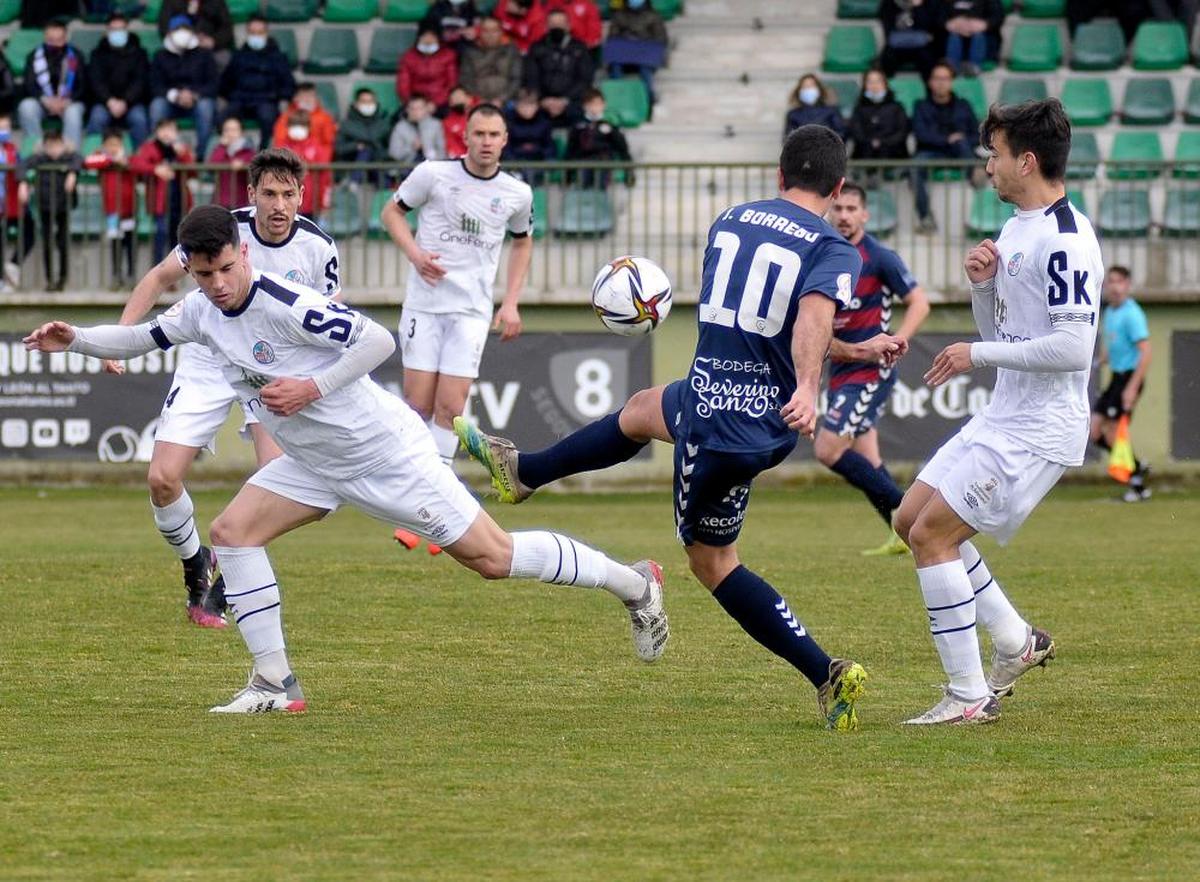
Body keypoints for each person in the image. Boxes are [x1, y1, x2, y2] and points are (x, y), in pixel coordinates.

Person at [25, 203, 670, 713]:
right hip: (315, 462)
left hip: (383, 454)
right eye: (203, 274)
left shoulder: (284, 303)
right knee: (232, 533)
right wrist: (75, 337)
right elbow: (141, 336)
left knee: (494, 560)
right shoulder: (201, 308)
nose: (218, 285)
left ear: (241, 253)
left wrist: (312, 387)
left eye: (224, 269)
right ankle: (274, 684)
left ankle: (635, 583)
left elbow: (377, 339)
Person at [454, 124, 871, 730]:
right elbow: (805, 318)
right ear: (836, 188)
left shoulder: (731, 219)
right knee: (645, 408)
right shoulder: (835, 247)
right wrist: (813, 383)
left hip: (721, 422)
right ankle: (524, 472)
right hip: (755, 415)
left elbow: (787, 317)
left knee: (711, 562)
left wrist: (817, 374)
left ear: (779, 175)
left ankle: (826, 672)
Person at [891, 98, 1103, 726]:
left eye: (997, 153)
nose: (989, 165)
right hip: (1004, 414)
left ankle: (968, 696)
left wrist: (974, 352)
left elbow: (1073, 348)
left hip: (1039, 428)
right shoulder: (1015, 229)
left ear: (1027, 160)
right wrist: (985, 287)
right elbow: (1008, 334)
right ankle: (1016, 642)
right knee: (909, 520)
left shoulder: (1066, 242)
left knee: (934, 536)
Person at [101, 148, 341, 629]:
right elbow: (159, 277)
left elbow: (330, 321)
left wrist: (314, 384)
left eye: (288, 194)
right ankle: (196, 562)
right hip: (210, 356)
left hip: (271, 367)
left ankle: (226, 587)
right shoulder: (222, 230)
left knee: (274, 482)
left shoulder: (319, 248)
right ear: (251, 194)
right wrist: (121, 339)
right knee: (162, 479)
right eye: (268, 193)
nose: (278, 204)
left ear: (302, 196)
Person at [380, 103, 532, 552]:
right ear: (464, 136)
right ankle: (423, 505)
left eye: (494, 134)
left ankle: (429, 512)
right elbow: (392, 213)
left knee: (450, 409)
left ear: (505, 140)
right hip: (424, 308)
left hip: (470, 312)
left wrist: (511, 303)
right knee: (417, 408)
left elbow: (523, 244)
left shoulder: (517, 193)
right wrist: (415, 255)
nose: (486, 141)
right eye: (479, 133)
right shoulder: (433, 173)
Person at [818, 183, 930, 555]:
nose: (845, 215)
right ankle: (903, 535)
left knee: (828, 448)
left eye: (852, 209)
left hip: (871, 369)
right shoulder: (824, 255)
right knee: (868, 459)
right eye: (839, 209)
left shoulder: (879, 256)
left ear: (865, 214)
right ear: (830, 212)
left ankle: (913, 517)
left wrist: (900, 337)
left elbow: (919, 303)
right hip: (841, 367)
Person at [1090, 265, 1152, 501]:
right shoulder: (1110, 312)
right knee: (1095, 432)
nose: (1114, 287)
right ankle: (1137, 467)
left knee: (1115, 432)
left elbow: (1146, 353)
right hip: (1117, 378)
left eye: (1119, 282)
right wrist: (1097, 363)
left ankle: (1138, 487)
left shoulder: (1132, 314)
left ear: (1127, 285)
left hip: (1129, 378)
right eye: (1111, 282)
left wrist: (1131, 388)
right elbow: (1112, 348)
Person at [910, 60, 980, 234]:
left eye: (945, 78)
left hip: (960, 152)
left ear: (951, 81)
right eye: (937, 78)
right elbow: (921, 134)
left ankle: (977, 183)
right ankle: (925, 217)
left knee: (962, 143)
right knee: (915, 166)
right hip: (931, 152)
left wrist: (959, 140)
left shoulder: (964, 105)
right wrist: (948, 139)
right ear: (930, 82)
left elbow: (977, 136)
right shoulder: (921, 105)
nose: (941, 82)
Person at [18, 128, 80, 291]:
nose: (54, 150)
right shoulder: (39, 158)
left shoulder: (69, 157)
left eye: (57, 145)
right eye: (50, 146)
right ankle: (49, 280)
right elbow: (22, 165)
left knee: (62, 243)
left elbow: (80, 159)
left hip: (63, 206)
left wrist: (72, 173)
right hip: (45, 206)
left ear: (63, 145)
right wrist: (23, 182)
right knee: (46, 243)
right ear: (44, 147)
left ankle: (62, 278)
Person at [219, 15, 295, 146]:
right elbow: (225, 82)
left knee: (268, 118)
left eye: (260, 33)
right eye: (252, 33)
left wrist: (280, 97)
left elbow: (288, 84)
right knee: (223, 117)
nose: (256, 36)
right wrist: (231, 96)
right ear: (247, 33)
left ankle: (263, 153)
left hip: (266, 100)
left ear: (267, 33)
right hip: (240, 99)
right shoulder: (238, 56)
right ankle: (230, 153)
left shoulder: (278, 57)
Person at [150, 15, 219, 156]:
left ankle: (200, 156)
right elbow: (154, 84)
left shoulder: (204, 55)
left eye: (185, 29)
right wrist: (175, 95)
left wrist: (194, 94)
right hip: (170, 101)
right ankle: (159, 155)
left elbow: (214, 83)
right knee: (157, 106)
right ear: (169, 33)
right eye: (177, 29)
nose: (182, 33)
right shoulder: (160, 56)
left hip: (197, 101)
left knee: (206, 107)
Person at [131, 117, 195, 264]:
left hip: (179, 199)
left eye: (171, 130)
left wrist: (183, 155)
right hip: (160, 202)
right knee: (160, 233)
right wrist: (155, 169)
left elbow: (193, 172)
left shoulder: (181, 149)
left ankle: (173, 274)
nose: (167, 133)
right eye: (163, 130)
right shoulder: (150, 147)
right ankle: (158, 268)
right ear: (157, 132)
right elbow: (136, 162)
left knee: (177, 237)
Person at [18, 18, 86, 150]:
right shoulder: (34, 56)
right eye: (51, 40)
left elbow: (83, 86)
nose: (55, 44)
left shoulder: (76, 56)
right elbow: (29, 84)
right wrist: (46, 100)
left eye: (59, 40)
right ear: (45, 37)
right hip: (43, 102)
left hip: (69, 102)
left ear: (66, 37)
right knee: (26, 107)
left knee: (73, 113)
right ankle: (37, 151)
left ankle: (70, 155)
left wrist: (67, 101)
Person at [86, 12, 152, 147]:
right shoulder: (97, 54)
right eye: (114, 29)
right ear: (107, 31)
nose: (118, 33)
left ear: (127, 30)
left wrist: (125, 101)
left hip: (132, 103)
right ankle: (94, 161)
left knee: (139, 120)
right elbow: (96, 82)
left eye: (121, 29)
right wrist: (110, 101)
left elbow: (140, 81)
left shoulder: (139, 53)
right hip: (105, 103)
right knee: (96, 119)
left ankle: (140, 162)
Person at [83, 129, 138, 290]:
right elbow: (88, 162)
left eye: (116, 144)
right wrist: (109, 160)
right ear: (104, 146)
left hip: (129, 210)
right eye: (110, 145)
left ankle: (131, 275)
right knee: (116, 243)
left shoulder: (129, 160)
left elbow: (140, 166)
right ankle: (116, 275)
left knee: (130, 242)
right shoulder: (103, 160)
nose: (113, 148)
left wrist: (124, 163)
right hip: (112, 212)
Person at [523, 8, 593, 129]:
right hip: (542, 102)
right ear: (546, 26)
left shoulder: (579, 48)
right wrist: (544, 99)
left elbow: (585, 79)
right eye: (553, 24)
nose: (557, 27)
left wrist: (564, 100)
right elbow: (531, 77)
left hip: (572, 101)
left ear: (568, 25)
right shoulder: (537, 47)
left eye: (560, 23)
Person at [847, 68, 911, 178]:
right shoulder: (859, 109)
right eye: (870, 81)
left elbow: (902, 132)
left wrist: (882, 142)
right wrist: (871, 142)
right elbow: (856, 132)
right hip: (865, 154)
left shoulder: (897, 107)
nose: (874, 85)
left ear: (885, 84)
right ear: (864, 85)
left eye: (878, 81)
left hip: (893, 154)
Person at [273, 112, 333, 226]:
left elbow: (325, 176)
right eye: (294, 125)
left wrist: (324, 203)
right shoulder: (280, 147)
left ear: (308, 127)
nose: (297, 128)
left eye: (301, 125)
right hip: (284, 203)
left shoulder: (316, 147)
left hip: (310, 203)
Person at [605, 0, 668, 107]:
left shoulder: (653, 16)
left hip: (644, 55)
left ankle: (648, 99)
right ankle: (617, 98)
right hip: (623, 54)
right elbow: (612, 37)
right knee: (615, 66)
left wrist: (641, 40)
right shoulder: (619, 15)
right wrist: (627, 38)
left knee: (645, 70)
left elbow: (661, 38)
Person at [564, 87, 631, 188]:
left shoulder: (610, 126)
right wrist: (567, 176)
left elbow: (622, 149)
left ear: (604, 105)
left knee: (601, 177)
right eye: (591, 104)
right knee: (583, 180)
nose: (594, 107)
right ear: (584, 106)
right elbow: (571, 150)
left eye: (598, 104)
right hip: (583, 162)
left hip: (603, 163)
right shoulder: (578, 126)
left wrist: (629, 173)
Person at [0, 112, 36, 292]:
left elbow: (22, 167)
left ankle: (13, 265)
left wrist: (23, 183)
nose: (3, 131)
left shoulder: (12, 149)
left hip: (11, 202)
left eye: (6, 128)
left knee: (29, 231)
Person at [459, 15, 523, 104]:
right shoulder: (470, 52)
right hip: (477, 100)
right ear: (480, 32)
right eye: (486, 31)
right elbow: (466, 79)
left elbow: (516, 79)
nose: (490, 35)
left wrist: (501, 99)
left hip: (506, 100)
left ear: (501, 32)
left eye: (494, 31)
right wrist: (478, 99)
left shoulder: (511, 50)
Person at [335, 88, 392, 186]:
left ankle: (355, 183)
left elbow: (390, 150)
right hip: (352, 165)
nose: (368, 104)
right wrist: (356, 146)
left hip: (377, 165)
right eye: (364, 102)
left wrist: (376, 150)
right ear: (356, 104)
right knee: (365, 150)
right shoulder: (346, 125)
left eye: (370, 101)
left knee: (369, 150)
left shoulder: (384, 124)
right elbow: (339, 148)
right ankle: (353, 183)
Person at [396, 28, 459, 112]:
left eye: (432, 37)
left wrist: (435, 103)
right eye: (424, 37)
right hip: (415, 102)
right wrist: (415, 104)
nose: (428, 40)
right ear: (418, 39)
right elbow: (403, 85)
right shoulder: (408, 57)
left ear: (438, 39)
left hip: (442, 103)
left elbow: (452, 84)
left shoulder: (449, 55)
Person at [879, 0, 945, 80]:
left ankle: (929, 89)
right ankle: (887, 87)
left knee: (929, 58)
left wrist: (918, 7)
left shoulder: (931, 3)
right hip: (897, 46)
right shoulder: (889, 3)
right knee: (887, 58)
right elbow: (889, 31)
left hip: (923, 46)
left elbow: (930, 27)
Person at [158, 0, 234, 68]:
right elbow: (164, 28)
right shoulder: (171, 2)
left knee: (224, 59)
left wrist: (213, 41)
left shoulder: (216, 2)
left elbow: (227, 30)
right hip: (180, 49)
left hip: (210, 50)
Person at [502, 88, 555, 183]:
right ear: (516, 105)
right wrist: (514, 163)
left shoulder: (544, 122)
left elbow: (549, 146)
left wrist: (547, 161)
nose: (527, 109)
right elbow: (506, 147)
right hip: (515, 164)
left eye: (531, 105)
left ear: (537, 106)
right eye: (523, 105)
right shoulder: (508, 122)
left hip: (538, 163)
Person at [942, 0, 1005, 77]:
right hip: (953, 36)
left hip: (982, 38)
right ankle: (952, 69)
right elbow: (938, 16)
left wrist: (984, 24)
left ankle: (974, 68)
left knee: (978, 36)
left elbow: (998, 16)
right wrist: (948, 24)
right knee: (953, 36)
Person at [273, 83, 337, 154]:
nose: (307, 99)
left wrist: (321, 162)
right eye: (303, 96)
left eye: (310, 96)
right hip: (291, 159)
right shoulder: (286, 117)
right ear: (296, 98)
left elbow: (328, 144)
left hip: (316, 160)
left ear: (316, 98)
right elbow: (279, 141)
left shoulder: (325, 118)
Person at [783, 73, 845, 141]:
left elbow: (841, 134)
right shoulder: (793, 114)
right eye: (805, 87)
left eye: (811, 86)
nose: (808, 89)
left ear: (819, 88)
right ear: (799, 91)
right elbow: (788, 139)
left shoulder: (831, 111)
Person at [209, 116, 256, 206]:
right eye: (227, 130)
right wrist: (222, 147)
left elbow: (254, 167)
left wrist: (243, 165)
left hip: (241, 201)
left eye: (234, 130)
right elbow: (212, 165)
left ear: (241, 132)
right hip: (220, 201)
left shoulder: (248, 151)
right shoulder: (219, 148)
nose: (230, 133)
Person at [388, 94, 446, 166]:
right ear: (407, 110)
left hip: (432, 167)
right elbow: (394, 154)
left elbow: (443, 151)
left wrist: (427, 150)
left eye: (419, 108)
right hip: (407, 168)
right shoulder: (400, 127)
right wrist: (411, 148)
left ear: (426, 109)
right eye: (412, 108)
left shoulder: (436, 125)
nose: (415, 112)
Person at [442, 85, 473, 157]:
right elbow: (451, 146)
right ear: (450, 103)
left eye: (459, 97)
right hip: (459, 161)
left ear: (469, 99)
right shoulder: (447, 123)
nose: (458, 100)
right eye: (454, 98)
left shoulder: (480, 118)